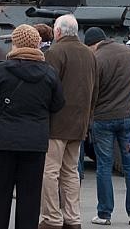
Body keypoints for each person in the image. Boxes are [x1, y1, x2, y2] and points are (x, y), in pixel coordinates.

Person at [0, 24, 65, 229]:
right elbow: (58, 104)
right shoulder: (49, 73)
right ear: (37, 43)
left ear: (15, 43)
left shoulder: (2, 69)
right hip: (34, 140)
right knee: (30, 197)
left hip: (5, 139)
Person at [40, 15, 98, 229]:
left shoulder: (54, 52)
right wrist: (88, 117)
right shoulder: (89, 54)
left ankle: (51, 218)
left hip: (56, 123)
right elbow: (96, 89)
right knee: (71, 172)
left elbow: (48, 87)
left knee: (50, 172)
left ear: (57, 32)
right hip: (79, 123)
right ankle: (73, 218)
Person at [83, 27, 130, 225]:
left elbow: (92, 90)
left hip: (103, 119)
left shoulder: (95, 58)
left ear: (92, 44)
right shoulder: (128, 51)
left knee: (104, 167)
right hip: (128, 116)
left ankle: (104, 213)